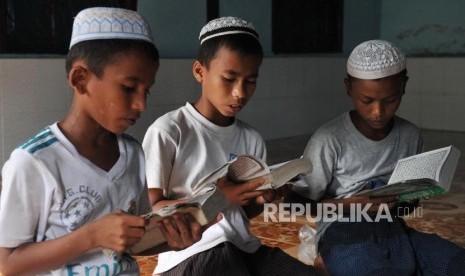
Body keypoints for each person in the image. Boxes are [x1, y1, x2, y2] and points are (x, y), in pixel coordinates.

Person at [0, 7, 205, 275]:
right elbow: (6, 264)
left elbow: (131, 243)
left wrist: (174, 242)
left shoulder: (132, 154)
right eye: (129, 88)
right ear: (80, 79)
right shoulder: (34, 162)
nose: (141, 104)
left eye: (147, 90)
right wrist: (91, 236)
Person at [142, 16, 316, 275]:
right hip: (191, 254)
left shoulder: (251, 138)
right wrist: (218, 198)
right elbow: (155, 208)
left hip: (242, 246)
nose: (240, 92)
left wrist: (262, 198)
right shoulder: (169, 131)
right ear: (200, 71)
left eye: (250, 81)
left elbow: (245, 214)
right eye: (229, 78)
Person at [291, 39, 465, 275]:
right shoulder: (329, 138)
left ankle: (335, 266)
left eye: (390, 100)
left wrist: (409, 198)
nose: (378, 112)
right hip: (344, 230)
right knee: (375, 269)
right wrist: (347, 207)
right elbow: (297, 206)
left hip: (393, 228)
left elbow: (405, 210)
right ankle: (328, 259)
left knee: (455, 263)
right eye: (367, 100)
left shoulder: (410, 135)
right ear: (348, 88)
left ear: (403, 86)